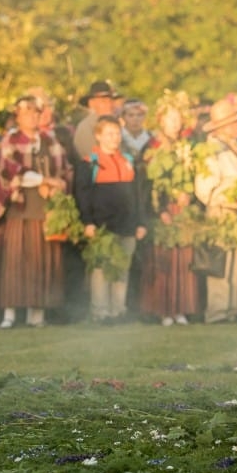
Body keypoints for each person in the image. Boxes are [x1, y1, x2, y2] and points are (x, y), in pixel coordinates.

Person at [0, 94, 72, 329]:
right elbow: (9, 171)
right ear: (18, 116)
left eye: (36, 112)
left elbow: (65, 171)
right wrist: (44, 181)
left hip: (45, 211)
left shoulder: (50, 140)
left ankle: (36, 313)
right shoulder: (11, 139)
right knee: (17, 261)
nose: (33, 117)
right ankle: (10, 313)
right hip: (21, 209)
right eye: (27, 113)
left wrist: (56, 186)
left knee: (42, 262)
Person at [74, 116, 148, 323]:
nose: (114, 138)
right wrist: (87, 221)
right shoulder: (89, 163)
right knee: (101, 269)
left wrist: (141, 222)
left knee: (122, 268)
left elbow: (137, 195)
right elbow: (82, 195)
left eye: (117, 133)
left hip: (127, 225)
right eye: (109, 134)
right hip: (102, 226)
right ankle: (100, 312)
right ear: (98, 136)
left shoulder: (128, 161)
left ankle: (118, 310)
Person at [139, 93, 199, 325]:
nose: (175, 124)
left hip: (181, 207)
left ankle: (180, 308)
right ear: (161, 120)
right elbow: (149, 183)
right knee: (163, 259)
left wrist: (188, 194)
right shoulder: (153, 145)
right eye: (170, 119)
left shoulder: (185, 145)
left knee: (182, 259)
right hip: (162, 209)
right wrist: (159, 208)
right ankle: (164, 309)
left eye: (178, 119)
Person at [193, 97, 237, 323]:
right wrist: (226, 200)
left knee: (235, 263)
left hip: (236, 211)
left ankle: (230, 310)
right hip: (221, 211)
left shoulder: (233, 147)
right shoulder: (211, 150)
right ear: (224, 126)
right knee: (220, 261)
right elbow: (204, 188)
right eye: (236, 122)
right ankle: (217, 312)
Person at [73, 80, 117, 159]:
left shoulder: (116, 124)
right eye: (103, 101)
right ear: (92, 104)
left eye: (110, 101)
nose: (109, 105)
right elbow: (95, 158)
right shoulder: (86, 127)